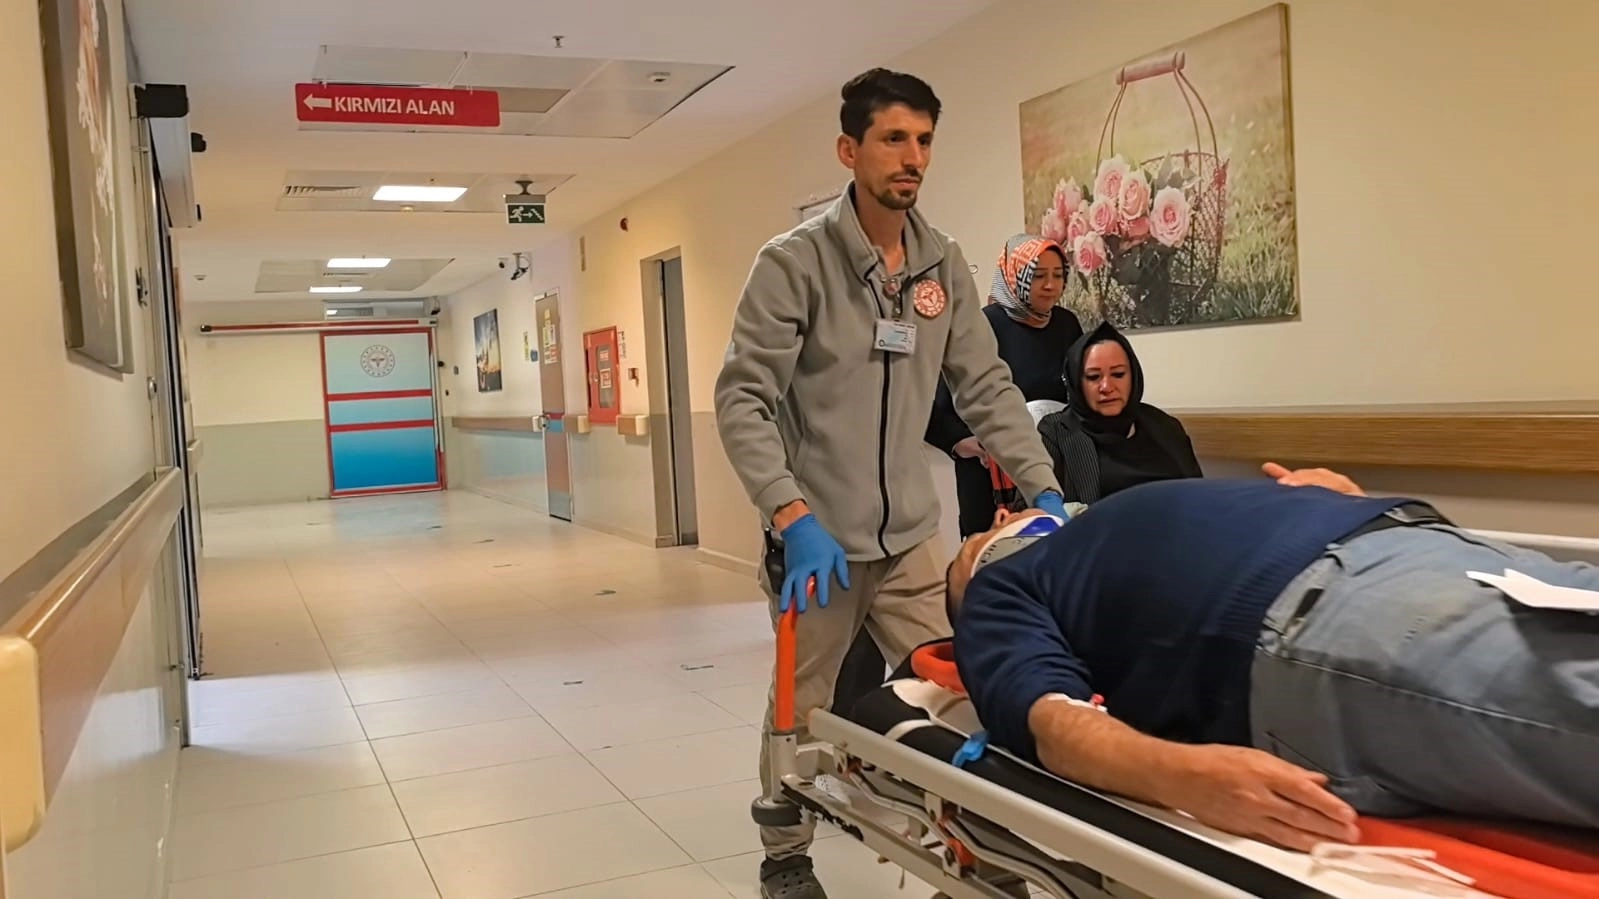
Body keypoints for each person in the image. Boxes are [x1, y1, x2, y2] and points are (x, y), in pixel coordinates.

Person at [714, 67, 1069, 899]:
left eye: (924, 141)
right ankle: (784, 852)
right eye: (893, 139)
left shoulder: (940, 262)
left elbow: (985, 386)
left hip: (908, 535)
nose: (912, 158)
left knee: (951, 688)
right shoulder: (794, 263)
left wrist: (1045, 490)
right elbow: (742, 399)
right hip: (817, 537)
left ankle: (970, 853)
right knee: (800, 702)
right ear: (850, 149)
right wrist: (789, 513)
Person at [943, 471, 1599, 853]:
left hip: (1421, 544)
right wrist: (1179, 776)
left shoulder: (1100, 520)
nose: (995, 522)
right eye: (972, 544)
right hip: (1323, 613)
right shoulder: (1003, 588)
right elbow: (1049, 718)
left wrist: (1332, 499)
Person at [927, 234, 1084, 537]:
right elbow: (932, 403)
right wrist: (959, 443)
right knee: (994, 552)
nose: (1050, 285)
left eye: (1058, 275)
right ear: (1014, 276)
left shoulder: (1066, 324)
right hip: (989, 474)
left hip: (1054, 463)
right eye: (1038, 276)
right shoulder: (984, 325)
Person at [1037, 320, 1201, 503]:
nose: (1107, 387)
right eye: (1093, 377)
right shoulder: (1055, 433)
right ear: (1076, 382)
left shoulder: (1166, 427)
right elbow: (1036, 506)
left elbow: (1199, 495)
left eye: (1118, 374)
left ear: (1134, 376)